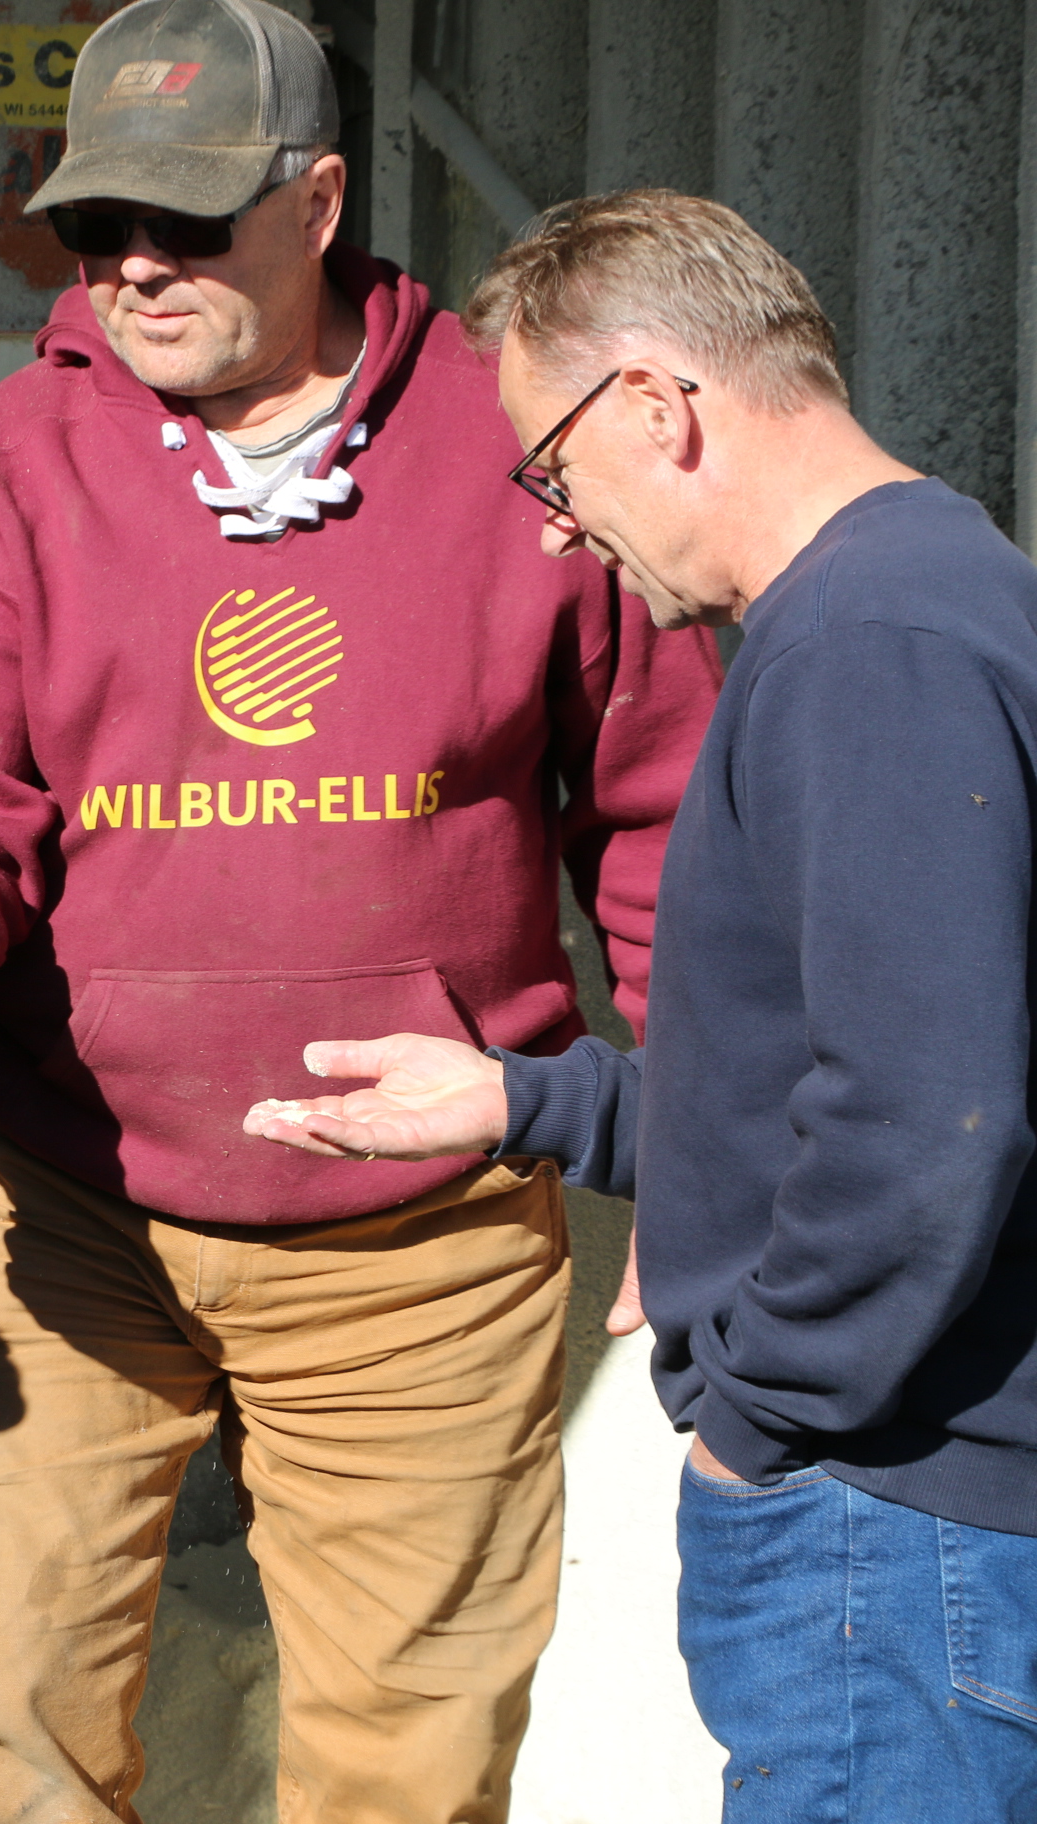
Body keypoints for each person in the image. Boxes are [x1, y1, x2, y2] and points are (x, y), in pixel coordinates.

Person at [0, 2, 724, 1817]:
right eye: (98, 230)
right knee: (13, 1722)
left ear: (320, 200)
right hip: (58, 1201)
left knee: (412, 1763)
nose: (136, 271)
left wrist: (704, 1155)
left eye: (188, 224)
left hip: (423, 1239)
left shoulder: (520, 452)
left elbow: (663, 825)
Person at [246, 188, 1037, 1818]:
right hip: (915, 1515)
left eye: (551, 465)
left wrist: (759, 1417)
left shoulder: (868, 645)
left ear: (662, 409)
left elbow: (925, 1118)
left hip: (890, 1528)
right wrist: (529, 1100)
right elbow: (856, 1061)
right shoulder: (929, 597)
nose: (552, 525)